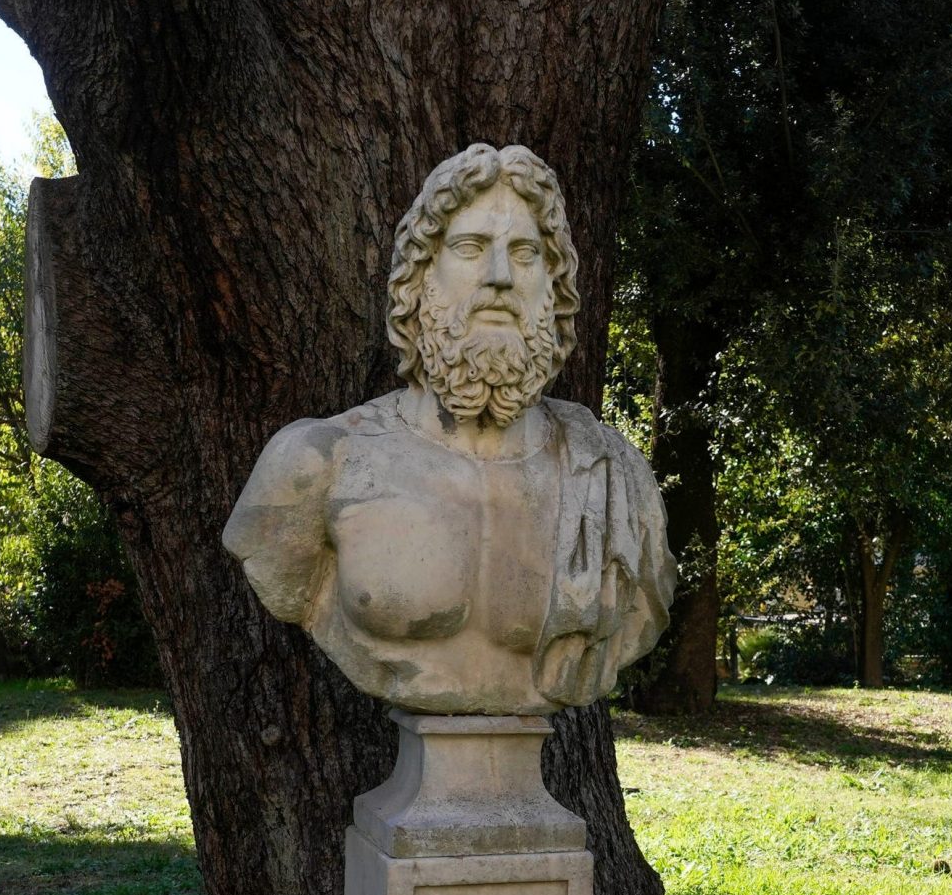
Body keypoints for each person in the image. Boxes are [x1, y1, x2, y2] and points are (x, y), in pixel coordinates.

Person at [224, 144, 674, 714]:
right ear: (418, 279)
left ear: (554, 290)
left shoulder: (615, 479)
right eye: (470, 248)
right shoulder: (317, 462)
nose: (500, 277)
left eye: (525, 253)